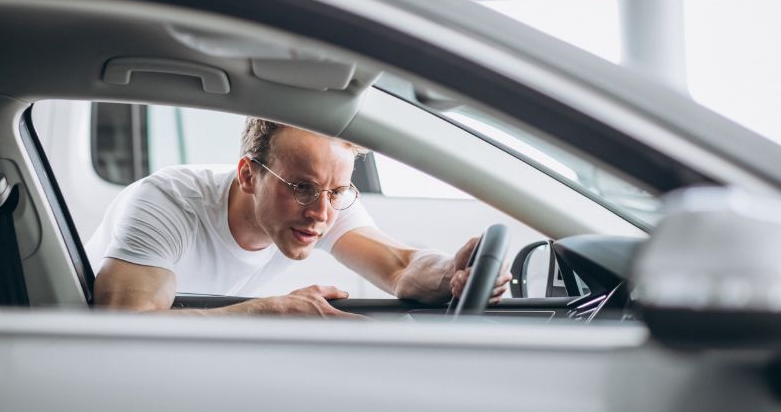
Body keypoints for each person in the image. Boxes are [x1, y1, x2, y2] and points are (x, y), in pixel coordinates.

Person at [86, 117, 510, 317]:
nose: (322, 213)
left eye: (337, 191)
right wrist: (271, 312)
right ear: (248, 175)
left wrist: (450, 273)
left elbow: (401, 267)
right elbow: (124, 331)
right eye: (302, 188)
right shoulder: (167, 203)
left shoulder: (324, 203)